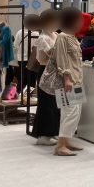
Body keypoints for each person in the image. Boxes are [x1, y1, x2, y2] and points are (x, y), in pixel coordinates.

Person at [51, 8, 85, 157]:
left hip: (76, 80)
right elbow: (61, 59)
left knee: (75, 112)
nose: (82, 22)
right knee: (70, 112)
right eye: (80, 19)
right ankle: (60, 145)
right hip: (68, 81)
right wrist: (66, 78)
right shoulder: (63, 37)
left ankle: (66, 141)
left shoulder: (72, 37)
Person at [31, 9, 60, 146]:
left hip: (55, 71)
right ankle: (43, 135)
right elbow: (50, 55)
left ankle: (52, 131)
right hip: (46, 72)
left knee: (54, 103)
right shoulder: (43, 38)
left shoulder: (55, 35)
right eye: (55, 21)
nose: (57, 24)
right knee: (46, 103)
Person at [10, 14, 40, 93]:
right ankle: (28, 94)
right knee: (32, 78)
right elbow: (36, 47)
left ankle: (19, 93)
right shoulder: (36, 34)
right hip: (32, 59)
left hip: (21, 58)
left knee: (22, 78)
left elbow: (16, 45)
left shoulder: (20, 32)